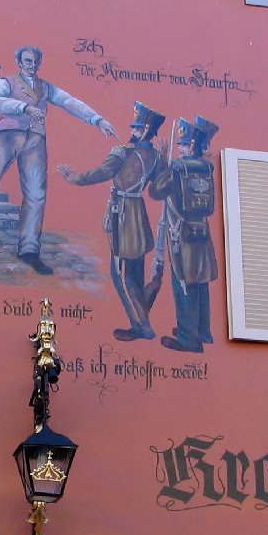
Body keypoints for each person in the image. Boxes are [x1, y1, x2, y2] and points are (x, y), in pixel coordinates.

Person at [0, 46, 118, 275]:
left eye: (36, 61)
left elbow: (70, 102)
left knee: (36, 195)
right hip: (6, 137)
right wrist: (24, 107)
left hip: (35, 140)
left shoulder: (45, 87)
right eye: (28, 61)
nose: (32, 65)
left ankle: (29, 249)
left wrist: (98, 120)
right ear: (19, 62)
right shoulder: (7, 83)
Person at [58, 103, 166, 341]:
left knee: (121, 275)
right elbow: (159, 189)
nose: (133, 131)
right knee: (135, 273)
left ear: (146, 130)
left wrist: (74, 178)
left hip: (122, 215)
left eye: (138, 128)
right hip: (139, 214)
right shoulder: (157, 157)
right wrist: (166, 161)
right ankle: (144, 318)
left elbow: (102, 173)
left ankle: (142, 326)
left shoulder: (122, 152)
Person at [148, 116, 218, 353]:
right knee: (200, 282)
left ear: (192, 146)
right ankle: (202, 331)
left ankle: (188, 339)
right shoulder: (206, 167)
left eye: (184, 144)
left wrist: (163, 163)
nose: (180, 148)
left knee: (184, 283)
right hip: (202, 233)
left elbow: (156, 191)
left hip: (181, 234)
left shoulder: (177, 168)